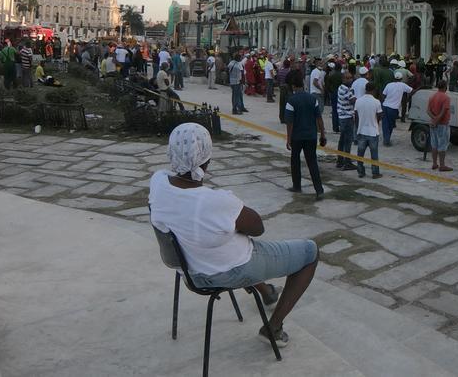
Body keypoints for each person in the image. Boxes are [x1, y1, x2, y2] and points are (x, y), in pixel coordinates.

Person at [148, 123, 318, 347]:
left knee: (229, 242)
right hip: (227, 271)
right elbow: (257, 227)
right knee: (309, 252)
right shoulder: (215, 202)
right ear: (206, 159)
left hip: (189, 269)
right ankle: (273, 327)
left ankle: (266, 290)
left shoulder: (158, 182)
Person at [284, 70, 327, 199]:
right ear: (303, 84)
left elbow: (289, 122)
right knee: (312, 162)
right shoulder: (313, 99)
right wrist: (322, 134)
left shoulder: (291, 101)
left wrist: (288, 138)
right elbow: (319, 118)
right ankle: (319, 189)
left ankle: (297, 186)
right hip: (311, 136)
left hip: (297, 136)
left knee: (295, 161)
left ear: (293, 86)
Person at [353, 81, 383, 179]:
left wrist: (358, 127)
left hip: (361, 131)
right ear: (374, 90)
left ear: (365, 89)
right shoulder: (376, 102)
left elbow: (356, 117)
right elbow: (379, 116)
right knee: (374, 154)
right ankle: (375, 173)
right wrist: (375, 124)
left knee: (360, 154)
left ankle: (361, 172)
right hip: (373, 132)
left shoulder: (358, 101)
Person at [427, 80, 453, 172]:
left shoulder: (432, 96)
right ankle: (442, 165)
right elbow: (443, 111)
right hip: (442, 124)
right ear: (445, 87)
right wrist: (437, 120)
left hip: (433, 123)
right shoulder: (446, 98)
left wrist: (434, 119)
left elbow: (428, 110)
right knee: (443, 144)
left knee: (434, 144)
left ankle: (434, 163)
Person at [334, 71, 357, 171]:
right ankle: (347, 162)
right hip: (347, 117)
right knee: (347, 141)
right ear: (343, 79)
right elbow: (352, 100)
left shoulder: (342, 88)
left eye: (350, 78)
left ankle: (340, 160)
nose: (350, 80)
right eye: (347, 78)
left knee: (342, 140)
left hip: (343, 117)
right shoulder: (345, 89)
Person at [381, 73, 413, 146]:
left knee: (385, 124)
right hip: (393, 109)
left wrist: (384, 103)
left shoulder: (388, 85)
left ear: (394, 78)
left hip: (385, 106)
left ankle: (386, 139)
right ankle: (387, 140)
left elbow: (383, 95)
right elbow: (411, 91)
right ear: (401, 79)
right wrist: (408, 98)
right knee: (391, 125)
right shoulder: (403, 85)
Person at [228, 51, 247, 115]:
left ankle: (239, 107)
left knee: (234, 95)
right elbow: (242, 73)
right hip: (238, 82)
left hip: (232, 81)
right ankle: (236, 109)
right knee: (237, 96)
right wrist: (243, 81)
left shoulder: (231, 63)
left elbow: (227, 69)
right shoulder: (239, 64)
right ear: (238, 59)